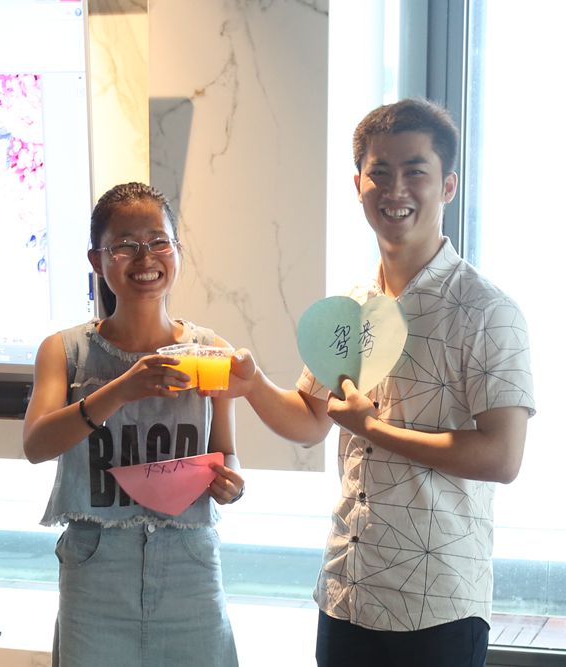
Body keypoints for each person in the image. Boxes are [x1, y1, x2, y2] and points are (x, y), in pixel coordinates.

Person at [223, 98, 535, 666]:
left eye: (415, 171)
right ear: (358, 185)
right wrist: (252, 384)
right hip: (348, 590)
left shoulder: (488, 311)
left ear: (448, 186)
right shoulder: (351, 307)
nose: (395, 190)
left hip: (437, 602)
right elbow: (311, 419)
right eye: (380, 172)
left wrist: (374, 429)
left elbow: (502, 457)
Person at [23, 181, 244, 667]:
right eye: (124, 245)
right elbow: (37, 445)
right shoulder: (65, 351)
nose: (145, 258)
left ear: (177, 250)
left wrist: (232, 481)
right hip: (96, 568)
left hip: (189, 565)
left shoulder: (212, 351)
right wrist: (121, 389)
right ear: (97, 260)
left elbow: (224, 450)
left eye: (158, 241)